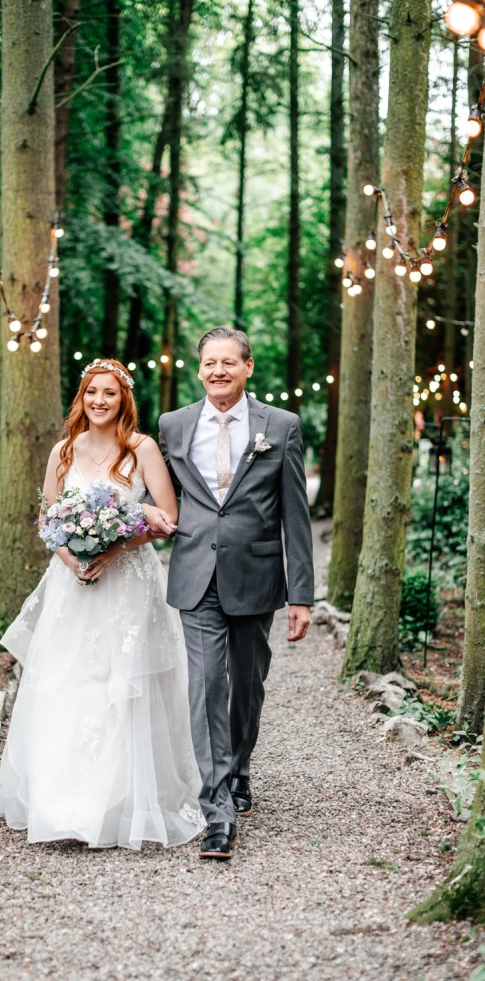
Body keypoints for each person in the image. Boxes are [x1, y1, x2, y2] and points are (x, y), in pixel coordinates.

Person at [0, 358, 204, 850]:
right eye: (93, 393)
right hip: (74, 585)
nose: (100, 401)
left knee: (123, 683)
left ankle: (124, 805)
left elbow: (168, 516)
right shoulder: (64, 452)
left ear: (123, 400)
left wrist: (114, 547)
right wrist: (71, 559)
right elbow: (49, 517)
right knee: (66, 682)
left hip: (128, 582)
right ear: (82, 398)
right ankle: (62, 805)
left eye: (110, 394)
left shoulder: (141, 449)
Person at [152, 327, 314, 860]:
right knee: (204, 687)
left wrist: (301, 595)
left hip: (257, 577)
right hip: (196, 574)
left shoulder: (281, 426)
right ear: (198, 370)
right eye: (209, 363)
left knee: (246, 686)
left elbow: (295, 513)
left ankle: (239, 767)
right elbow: (164, 498)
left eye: (228, 362)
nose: (217, 371)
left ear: (248, 368)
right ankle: (216, 810)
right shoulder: (173, 425)